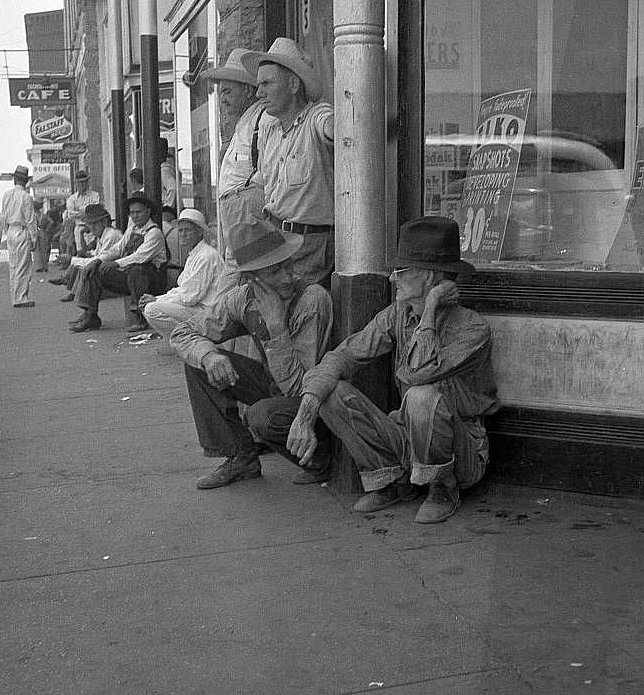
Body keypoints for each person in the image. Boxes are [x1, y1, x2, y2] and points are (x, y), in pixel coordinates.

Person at [279, 216, 499, 524]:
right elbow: (341, 356)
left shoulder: (472, 328)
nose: (393, 278)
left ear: (430, 278)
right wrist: (306, 413)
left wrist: (432, 308)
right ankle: (392, 480)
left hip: (461, 456)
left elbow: (419, 372)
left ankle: (442, 487)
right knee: (331, 392)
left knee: (422, 396)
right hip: (408, 440)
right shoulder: (397, 314)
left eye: (403, 271)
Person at [170, 218, 333, 489]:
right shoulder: (243, 298)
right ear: (250, 279)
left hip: (313, 403)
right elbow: (183, 333)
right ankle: (240, 457)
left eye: (287, 265)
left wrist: (277, 327)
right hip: (275, 387)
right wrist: (209, 356)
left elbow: (300, 389)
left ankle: (321, 458)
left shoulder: (311, 300)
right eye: (273, 272)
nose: (287, 277)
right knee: (198, 363)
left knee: (261, 415)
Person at [241, 37, 334, 286]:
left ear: (293, 84)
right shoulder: (268, 130)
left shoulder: (316, 116)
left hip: (309, 244)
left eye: (267, 83)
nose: (259, 92)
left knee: (292, 308)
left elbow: (334, 127)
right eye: (258, 85)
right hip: (273, 238)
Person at [69, 194, 167, 333]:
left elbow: (139, 257)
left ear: (148, 211)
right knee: (95, 269)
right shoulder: (132, 229)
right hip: (131, 277)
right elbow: (119, 248)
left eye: (138, 212)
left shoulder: (154, 233)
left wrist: (115, 264)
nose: (135, 216)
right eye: (132, 213)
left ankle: (140, 316)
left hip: (153, 279)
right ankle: (91, 315)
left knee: (137, 270)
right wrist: (99, 260)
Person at [202, 48, 267, 254]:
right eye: (221, 92)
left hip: (250, 223)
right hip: (238, 222)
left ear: (248, 91)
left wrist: (245, 204)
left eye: (227, 91)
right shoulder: (244, 124)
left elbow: (269, 172)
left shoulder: (262, 120)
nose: (222, 99)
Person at [141, 208, 224, 338]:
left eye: (188, 230)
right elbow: (183, 290)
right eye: (180, 230)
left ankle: (192, 340)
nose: (183, 234)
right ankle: (186, 340)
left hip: (208, 312)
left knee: (152, 310)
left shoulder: (206, 256)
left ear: (199, 233)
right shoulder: (195, 254)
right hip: (199, 307)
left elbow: (189, 297)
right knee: (151, 307)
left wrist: (157, 300)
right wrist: (157, 299)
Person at [51, 203, 123, 303]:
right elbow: (98, 254)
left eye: (94, 224)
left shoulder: (111, 235)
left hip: (114, 270)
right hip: (106, 265)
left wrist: (71, 259)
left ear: (104, 222)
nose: (91, 227)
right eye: (89, 224)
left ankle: (77, 293)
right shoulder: (102, 235)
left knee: (86, 267)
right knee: (81, 261)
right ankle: (75, 292)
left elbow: (100, 259)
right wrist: (85, 254)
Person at [0, 165, 37, 308]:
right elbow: (30, 219)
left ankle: (15, 297)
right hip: (21, 231)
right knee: (24, 265)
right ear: (25, 181)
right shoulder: (26, 197)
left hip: (10, 231)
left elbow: (3, 217)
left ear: (15, 179)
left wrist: (7, 231)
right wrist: (34, 237)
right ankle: (21, 298)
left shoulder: (6, 195)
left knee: (14, 265)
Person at [65, 169, 100, 253]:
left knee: (94, 251)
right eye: (79, 182)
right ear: (76, 183)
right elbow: (71, 214)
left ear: (87, 182)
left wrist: (79, 209)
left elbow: (95, 211)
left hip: (93, 227)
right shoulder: (72, 198)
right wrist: (86, 210)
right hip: (79, 228)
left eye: (83, 182)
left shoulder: (95, 195)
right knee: (81, 252)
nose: (81, 184)